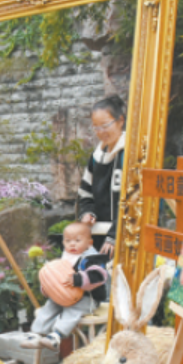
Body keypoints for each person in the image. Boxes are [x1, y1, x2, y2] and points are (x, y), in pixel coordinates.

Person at [24, 222, 109, 350]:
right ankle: (36, 333)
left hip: (88, 299)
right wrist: (49, 288)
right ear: (63, 242)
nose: (72, 244)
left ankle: (56, 335)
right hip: (64, 296)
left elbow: (100, 276)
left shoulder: (92, 258)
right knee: (50, 305)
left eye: (77, 240)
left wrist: (79, 279)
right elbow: (55, 278)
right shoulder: (65, 258)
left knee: (73, 310)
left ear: (89, 243)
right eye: (68, 241)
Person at [78, 95, 128, 256]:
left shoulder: (130, 155)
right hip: (98, 238)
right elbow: (85, 194)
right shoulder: (96, 157)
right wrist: (87, 213)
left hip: (125, 238)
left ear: (120, 121)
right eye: (96, 127)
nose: (101, 132)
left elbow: (133, 202)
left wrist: (114, 236)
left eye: (105, 125)